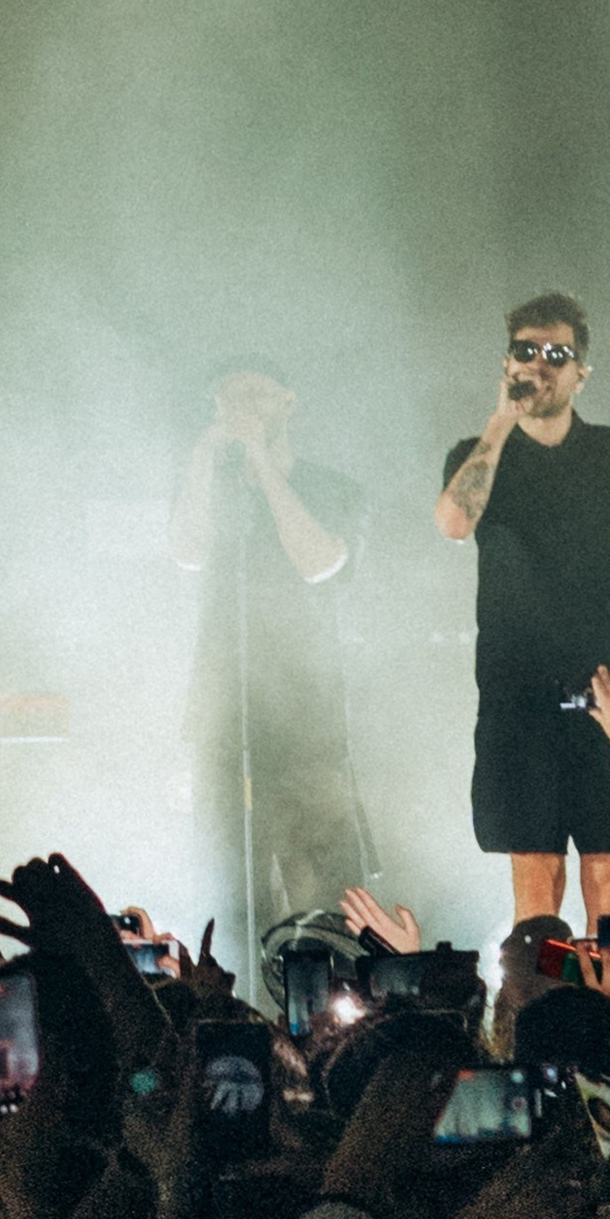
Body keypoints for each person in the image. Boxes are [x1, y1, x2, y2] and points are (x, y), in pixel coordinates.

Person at [435, 296, 610, 928]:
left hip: (607, 689)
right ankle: (541, 1011)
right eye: (527, 351)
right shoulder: (479, 452)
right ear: (507, 361)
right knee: (536, 878)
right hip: (518, 695)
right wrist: (500, 421)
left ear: (581, 372)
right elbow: (453, 522)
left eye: (557, 355)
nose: (540, 365)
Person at [167, 358, 367, 937]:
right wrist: (207, 453)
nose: (242, 410)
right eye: (228, 400)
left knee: (322, 901)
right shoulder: (208, 486)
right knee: (229, 900)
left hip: (308, 726)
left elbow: (319, 563)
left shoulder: (330, 486)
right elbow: (185, 551)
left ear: (288, 402)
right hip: (222, 726)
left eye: (256, 397)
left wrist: (261, 461)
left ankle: (331, 1021)